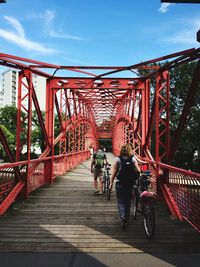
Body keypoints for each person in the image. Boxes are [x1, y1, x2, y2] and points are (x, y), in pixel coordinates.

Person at [110, 144, 140, 229]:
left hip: (120, 184)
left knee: (121, 202)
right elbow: (138, 170)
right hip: (130, 184)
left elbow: (114, 172)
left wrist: (111, 183)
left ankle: (122, 217)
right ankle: (126, 218)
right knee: (128, 202)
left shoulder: (118, 159)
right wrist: (138, 177)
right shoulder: (133, 159)